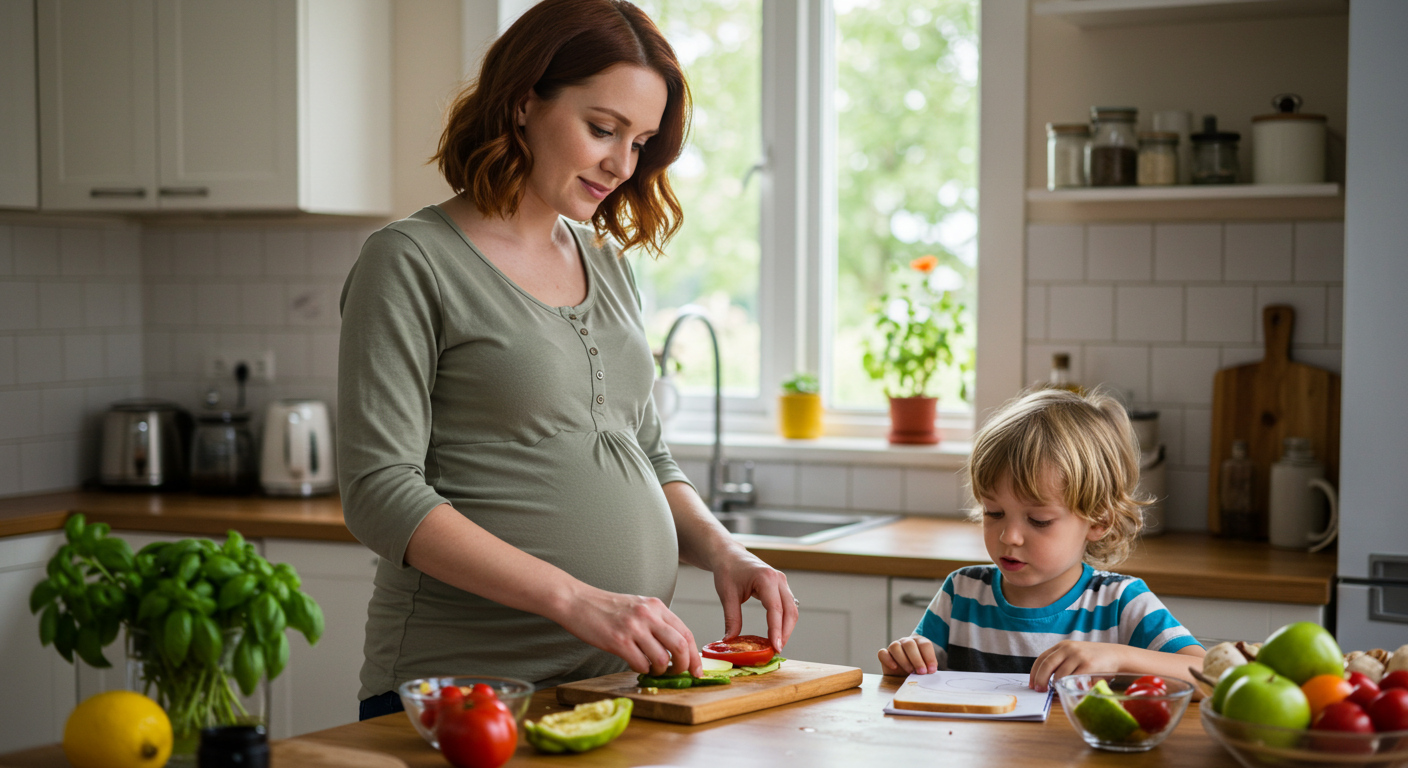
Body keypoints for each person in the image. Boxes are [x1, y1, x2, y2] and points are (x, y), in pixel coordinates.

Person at [339, 0, 797, 720]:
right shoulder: (410, 261)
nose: (622, 164)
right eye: (602, 129)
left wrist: (723, 550)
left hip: (614, 684)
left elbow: (644, 448)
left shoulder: (607, 264)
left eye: (641, 141)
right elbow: (379, 492)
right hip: (467, 689)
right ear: (524, 102)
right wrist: (578, 600)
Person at [878, 388, 1206, 692]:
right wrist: (905, 663)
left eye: (1039, 520)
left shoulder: (1121, 603)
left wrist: (1118, 658)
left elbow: (1213, 677)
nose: (1010, 536)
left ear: (1099, 520)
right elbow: (916, 680)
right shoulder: (961, 594)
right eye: (994, 512)